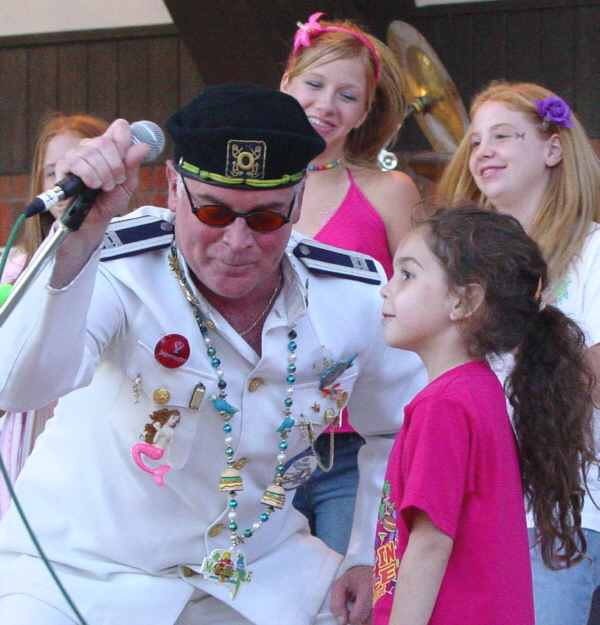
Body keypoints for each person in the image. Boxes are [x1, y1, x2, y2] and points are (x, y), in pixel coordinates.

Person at [0, 84, 426, 625]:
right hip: (81, 573)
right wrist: (77, 242)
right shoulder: (113, 259)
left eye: (267, 218)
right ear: (175, 190)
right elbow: (18, 386)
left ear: (297, 200)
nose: (238, 242)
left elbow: (401, 426)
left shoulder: (350, 291)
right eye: (214, 212)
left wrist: (371, 555)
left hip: (257, 576)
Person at [374, 206, 595, 625]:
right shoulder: (475, 392)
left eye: (407, 273)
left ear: (464, 300)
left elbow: (430, 543)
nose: (387, 289)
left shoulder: (445, 405)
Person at [438, 81, 600, 625]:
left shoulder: (595, 251)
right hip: (468, 501)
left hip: (558, 506)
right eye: (476, 140)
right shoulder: (461, 266)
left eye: (503, 136)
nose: (483, 151)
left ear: (553, 148)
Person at [280, 13, 421, 555]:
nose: (326, 104)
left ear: (365, 111)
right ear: (287, 83)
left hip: (360, 441)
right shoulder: (250, 189)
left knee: (355, 598)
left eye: (347, 94)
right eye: (314, 84)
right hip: (261, 441)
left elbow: (421, 304)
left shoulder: (389, 190)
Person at [0, 112, 108, 518]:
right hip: (23, 429)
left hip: (88, 427)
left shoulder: (122, 260)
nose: (63, 182)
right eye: (52, 172)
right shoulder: (13, 266)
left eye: (75, 167)